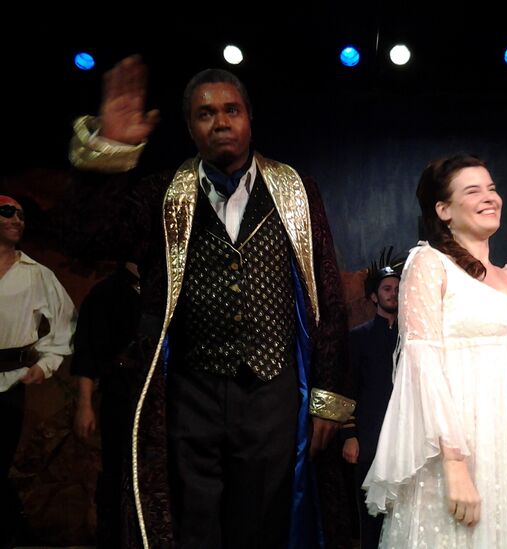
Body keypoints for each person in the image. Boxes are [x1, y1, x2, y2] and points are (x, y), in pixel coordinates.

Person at [59, 56, 353, 549]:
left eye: (231, 109)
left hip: (271, 391)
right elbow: (87, 237)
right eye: (205, 113)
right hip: (190, 391)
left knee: (263, 521)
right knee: (194, 522)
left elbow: (326, 291)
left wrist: (329, 395)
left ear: (250, 118)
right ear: (190, 127)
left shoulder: (295, 190)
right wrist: (111, 150)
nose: (220, 120)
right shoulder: (163, 193)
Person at [363, 154, 507, 548]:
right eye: (473, 191)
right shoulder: (429, 263)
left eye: (492, 188)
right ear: (443, 210)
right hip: (462, 449)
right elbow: (422, 366)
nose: (490, 197)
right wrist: (455, 466)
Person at [0, 195, 75, 549]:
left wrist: (45, 364)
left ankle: (16, 533)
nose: (17, 219)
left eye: (21, 215)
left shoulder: (36, 274)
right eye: (7, 212)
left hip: (10, 381)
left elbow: (65, 324)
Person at [72, 261, 142, 548]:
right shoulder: (106, 292)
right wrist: (85, 404)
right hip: (121, 392)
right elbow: (87, 353)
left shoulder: (166, 286)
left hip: (165, 395)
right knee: (116, 468)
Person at [341, 256, 401, 549]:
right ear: (375, 296)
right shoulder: (358, 338)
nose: (394, 294)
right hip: (369, 439)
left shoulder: (412, 338)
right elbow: (348, 388)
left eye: (398, 288)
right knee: (371, 516)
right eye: (387, 289)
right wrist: (350, 435)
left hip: (405, 440)